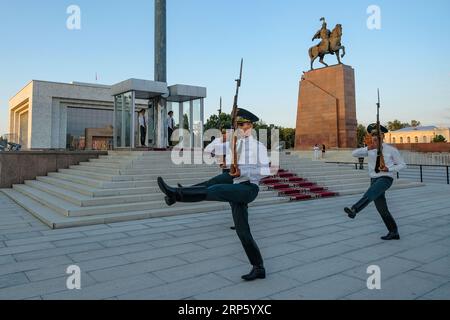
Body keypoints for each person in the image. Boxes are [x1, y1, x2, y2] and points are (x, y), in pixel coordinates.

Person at [157, 108, 271, 281]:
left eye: (243, 125)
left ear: (251, 126)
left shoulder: (258, 146)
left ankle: (176, 194)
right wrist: (224, 142)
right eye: (237, 125)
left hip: (248, 189)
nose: (240, 128)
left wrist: (242, 171)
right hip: (237, 188)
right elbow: (210, 148)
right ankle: (259, 267)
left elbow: (265, 171)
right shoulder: (235, 143)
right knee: (242, 232)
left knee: (216, 189)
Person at [344, 124, 407, 241]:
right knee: (382, 209)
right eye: (373, 137)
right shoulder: (369, 150)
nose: (374, 139)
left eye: (377, 137)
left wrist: (390, 169)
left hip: (386, 178)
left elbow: (403, 165)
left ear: (382, 137)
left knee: (371, 192)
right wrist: (369, 148)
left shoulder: (391, 150)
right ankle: (394, 232)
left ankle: (354, 209)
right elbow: (354, 153)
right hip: (374, 179)